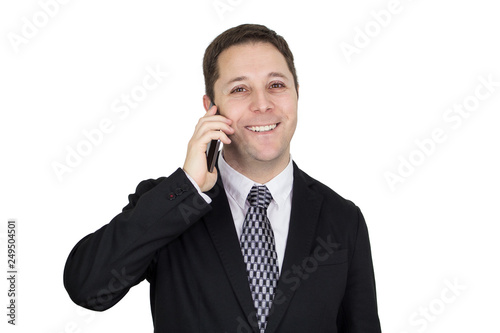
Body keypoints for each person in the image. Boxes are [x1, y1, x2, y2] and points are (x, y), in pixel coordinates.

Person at [64, 23, 382, 332]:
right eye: (240, 89)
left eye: (276, 85)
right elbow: (88, 288)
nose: (262, 104)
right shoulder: (169, 203)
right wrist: (187, 187)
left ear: (296, 94)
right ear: (211, 109)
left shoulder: (343, 219)